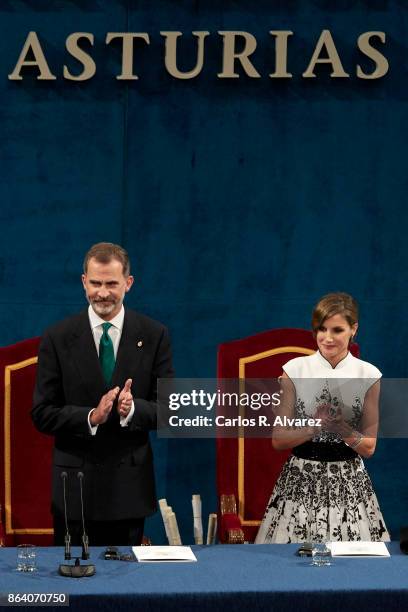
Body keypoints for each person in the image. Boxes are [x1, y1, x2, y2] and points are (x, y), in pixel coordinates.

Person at [31, 242, 174, 546]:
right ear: (84, 282)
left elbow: (170, 409)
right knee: (73, 583)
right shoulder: (57, 337)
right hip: (75, 491)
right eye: (95, 283)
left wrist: (133, 409)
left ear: (128, 283)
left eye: (112, 283)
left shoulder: (154, 335)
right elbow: (42, 413)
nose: (103, 292)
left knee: (127, 589)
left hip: (128, 492)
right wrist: (90, 417)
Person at [255, 292, 389, 543]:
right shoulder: (294, 369)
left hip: (350, 484)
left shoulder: (369, 375)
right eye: (321, 329)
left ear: (353, 329)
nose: (327, 338)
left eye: (337, 330)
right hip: (300, 482)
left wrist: (340, 427)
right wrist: (314, 427)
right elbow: (279, 439)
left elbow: (369, 447)